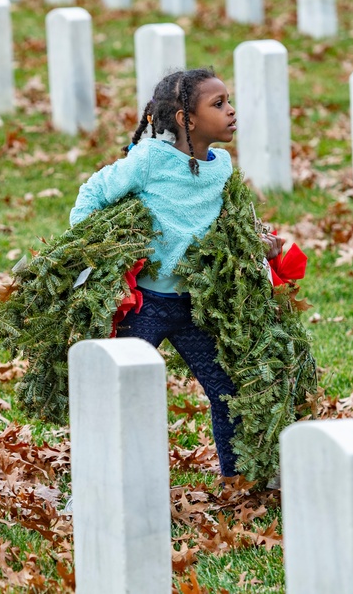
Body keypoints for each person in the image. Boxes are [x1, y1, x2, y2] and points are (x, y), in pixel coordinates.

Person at [67, 67, 284, 479]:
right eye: (218, 105)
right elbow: (93, 192)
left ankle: (239, 480)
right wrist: (88, 249)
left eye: (229, 101)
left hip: (197, 305)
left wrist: (257, 243)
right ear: (186, 119)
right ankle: (101, 484)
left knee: (228, 391)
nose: (232, 111)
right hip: (145, 304)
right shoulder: (149, 160)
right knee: (120, 392)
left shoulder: (220, 167)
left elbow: (224, 227)